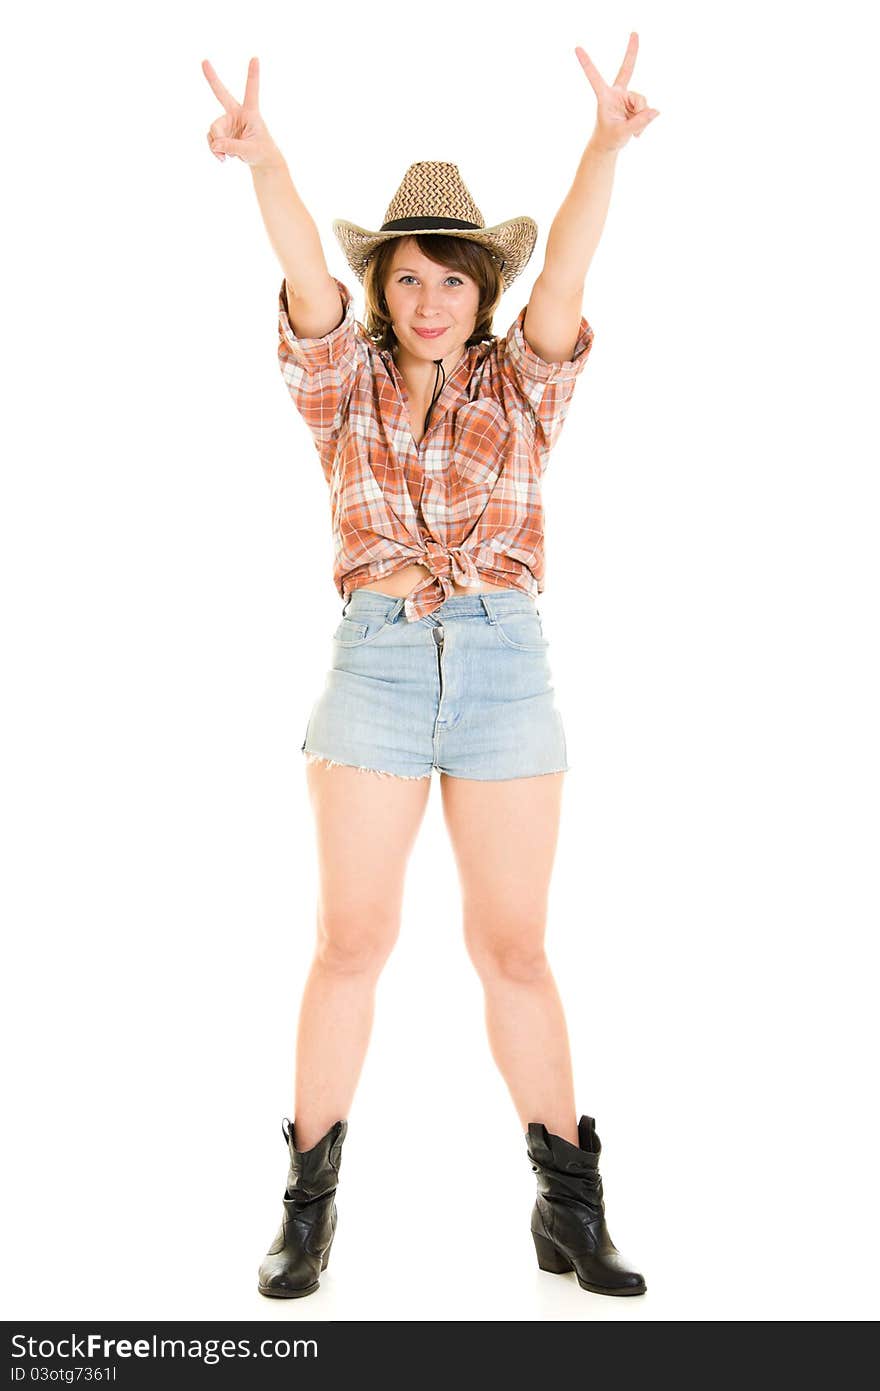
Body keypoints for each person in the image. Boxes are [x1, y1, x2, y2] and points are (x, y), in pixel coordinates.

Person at [202, 37, 659, 1301]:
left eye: (451, 277)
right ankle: (307, 1211)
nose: (430, 297)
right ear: (385, 285)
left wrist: (604, 146)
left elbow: (568, 265)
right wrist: (269, 162)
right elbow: (300, 271)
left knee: (513, 944)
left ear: (478, 286)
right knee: (351, 937)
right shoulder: (338, 385)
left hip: (508, 666)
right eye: (408, 277)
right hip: (379, 667)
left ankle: (571, 1209)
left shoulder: (525, 387)